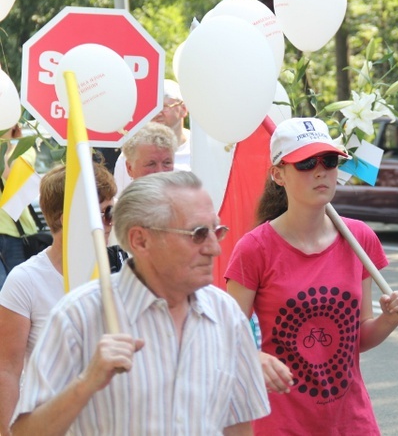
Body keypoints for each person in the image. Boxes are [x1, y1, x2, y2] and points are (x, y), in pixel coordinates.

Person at [11, 171, 269, 435]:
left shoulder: (226, 315)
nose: (215, 248)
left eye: (217, 231)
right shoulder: (78, 316)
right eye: (198, 234)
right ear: (140, 240)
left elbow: (238, 427)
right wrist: (86, 383)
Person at [225, 117, 398, 435]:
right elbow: (226, 339)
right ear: (278, 174)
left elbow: (357, 339)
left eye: (328, 160)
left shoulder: (360, 238)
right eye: (305, 163)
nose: (320, 171)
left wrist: (389, 320)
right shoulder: (254, 248)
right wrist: (252, 357)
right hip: (280, 424)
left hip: (352, 421)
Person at [0, 162, 125, 434]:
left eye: (112, 212)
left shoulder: (125, 270)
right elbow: (7, 368)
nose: (110, 223)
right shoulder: (26, 280)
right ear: (67, 217)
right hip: (52, 420)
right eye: (103, 213)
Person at [113, 80, 189, 192]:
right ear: (129, 168)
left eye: (164, 106)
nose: (157, 112)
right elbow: (120, 198)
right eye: (151, 163)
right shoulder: (132, 152)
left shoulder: (201, 149)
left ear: (183, 109)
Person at [0, 123, 40, 275]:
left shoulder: (26, 149)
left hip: (16, 234)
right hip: (12, 233)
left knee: (17, 293)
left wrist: (12, 144)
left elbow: (8, 171)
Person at [112, 121, 177, 196]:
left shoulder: (186, 204)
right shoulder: (122, 206)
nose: (160, 171)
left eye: (167, 163)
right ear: (129, 168)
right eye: (151, 164)